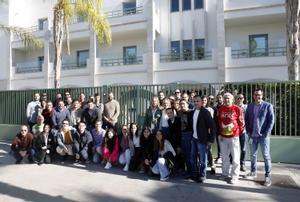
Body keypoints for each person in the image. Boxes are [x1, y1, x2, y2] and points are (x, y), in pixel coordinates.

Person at [245, 88, 275, 187]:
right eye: (256, 94)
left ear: (262, 95)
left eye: (259, 95)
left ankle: (268, 176)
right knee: (253, 155)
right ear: (253, 96)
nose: (258, 96)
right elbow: (247, 119)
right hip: (252, 136)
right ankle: (253, 172)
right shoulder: (249, 106)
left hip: (263, 136)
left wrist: (266, 133)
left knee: (266, 156)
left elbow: (271, 121)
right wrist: (249, 132)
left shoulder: (268, 106)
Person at [218, 93, 244, 184]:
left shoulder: (237, 109)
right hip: (223, 137)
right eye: (225, 98)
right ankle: (225, 173)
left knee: (236, 158)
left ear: (232, 99)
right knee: (224, 157)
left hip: (234, 137)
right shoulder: (221, 109)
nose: (226, 100)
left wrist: (237, 134)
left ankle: (235, 176)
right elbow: (219, 122)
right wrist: (220, 134)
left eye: (228, 98)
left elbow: (241, 123)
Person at [190, 96, 216, 183]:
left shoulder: (205, 112)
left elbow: (212, 126)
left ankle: (202, 175)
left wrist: (211, 140)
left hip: (202, 140)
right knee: (193, 157)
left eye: (198, 101)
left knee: (202, 159)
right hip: (194, 138)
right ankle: (194, 174)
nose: (196, 103)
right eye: (194, 101)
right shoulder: (193, 111)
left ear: (202, 102)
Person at [177, 99, 193, 178]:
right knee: (185, 154)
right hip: (182, 135)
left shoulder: (191, 112)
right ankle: (188, 171)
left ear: (187, 104)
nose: (182, 105)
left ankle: (192, 172)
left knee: (189, 155)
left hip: (189, 135)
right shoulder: (180, 113)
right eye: (181, 104)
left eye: (183, 104)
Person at [201, 96, 216, 175]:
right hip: (200, 134)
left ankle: (212, 166)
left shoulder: (210, 110)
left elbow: (211, 123)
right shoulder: (196, 109)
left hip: (207, 133)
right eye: (202, 100)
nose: (203, 101)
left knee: (209, 151)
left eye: (205, 100)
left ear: (207, 101)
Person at [166, 107, 183, 172]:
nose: (169, 114)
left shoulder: (178, 119)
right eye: (168, 113)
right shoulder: (168, 121)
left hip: (179, 141)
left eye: (170, 113)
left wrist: (179, 145)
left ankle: (182, 168)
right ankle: (176, 168)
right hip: (172, 141)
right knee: (175, 154)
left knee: (180, 154)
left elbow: (179, 133)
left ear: (173, 113)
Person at [236, 93, 248, 172]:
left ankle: (242, 163)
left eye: (241, 98)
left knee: (243, 148)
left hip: (244, 131)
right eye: (238, 98)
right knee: (235, 149)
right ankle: (235, 163)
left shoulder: (246, 107)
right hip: (235, 131)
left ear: (243, 99)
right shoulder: (234, 107)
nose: (240, 99)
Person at [214, 93, 224, 164]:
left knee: (227, 144)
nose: (219, 99)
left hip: (225, 128)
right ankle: (219, 156)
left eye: (220, 97)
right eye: (218, 98)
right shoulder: (215, 108)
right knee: (219, 144)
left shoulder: (225, 106)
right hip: (218, 128)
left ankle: (228, 157)